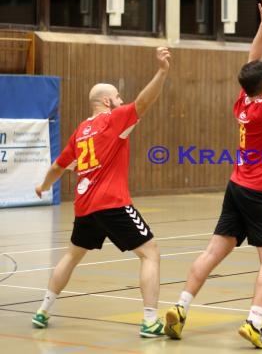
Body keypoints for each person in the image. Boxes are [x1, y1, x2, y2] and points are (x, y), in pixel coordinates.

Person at [163, 0, 262, 349]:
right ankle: (255, 322)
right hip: (260, 193)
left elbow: (251, 63)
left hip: (236, 187)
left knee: (213, 251)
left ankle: (181, 307)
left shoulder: (243, 102)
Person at [32, 47, 171, 337]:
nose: (122, 102)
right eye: (118, 98)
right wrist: (161, 72)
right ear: (108, 101)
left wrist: (42, 186)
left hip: (85, 207)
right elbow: (143, 103)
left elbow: (58, 168)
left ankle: (43, 310)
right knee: (151, 254)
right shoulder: (114, 119)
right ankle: (149, 320)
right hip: (112, 203)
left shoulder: (80, 131)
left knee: (71, 255)